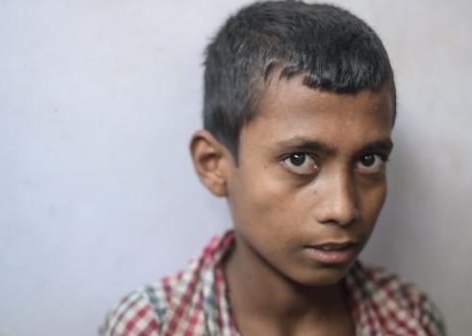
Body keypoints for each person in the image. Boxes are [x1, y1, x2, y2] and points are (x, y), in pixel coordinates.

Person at [100, 1, 446, 335]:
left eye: (369, 160)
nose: (343, 209)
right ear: (214, 165)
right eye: (299, 160)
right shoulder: (150, 326)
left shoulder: (411, 317)